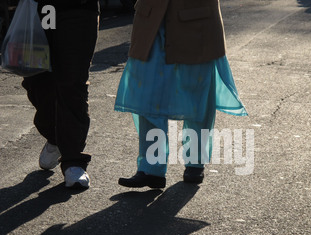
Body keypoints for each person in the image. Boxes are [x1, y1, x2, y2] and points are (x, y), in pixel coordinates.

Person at [114, 0, 247, 188]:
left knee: (196, 95)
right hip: (152, 17)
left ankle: (195, 161)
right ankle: (152, 168)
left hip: (196, 18)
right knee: (148, 95)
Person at [21, 0, 99, 188]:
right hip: (43, 8)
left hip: (78, 9)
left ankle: (73, 161)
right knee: (37, 80)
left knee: (72, 82)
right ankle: (55, 137)